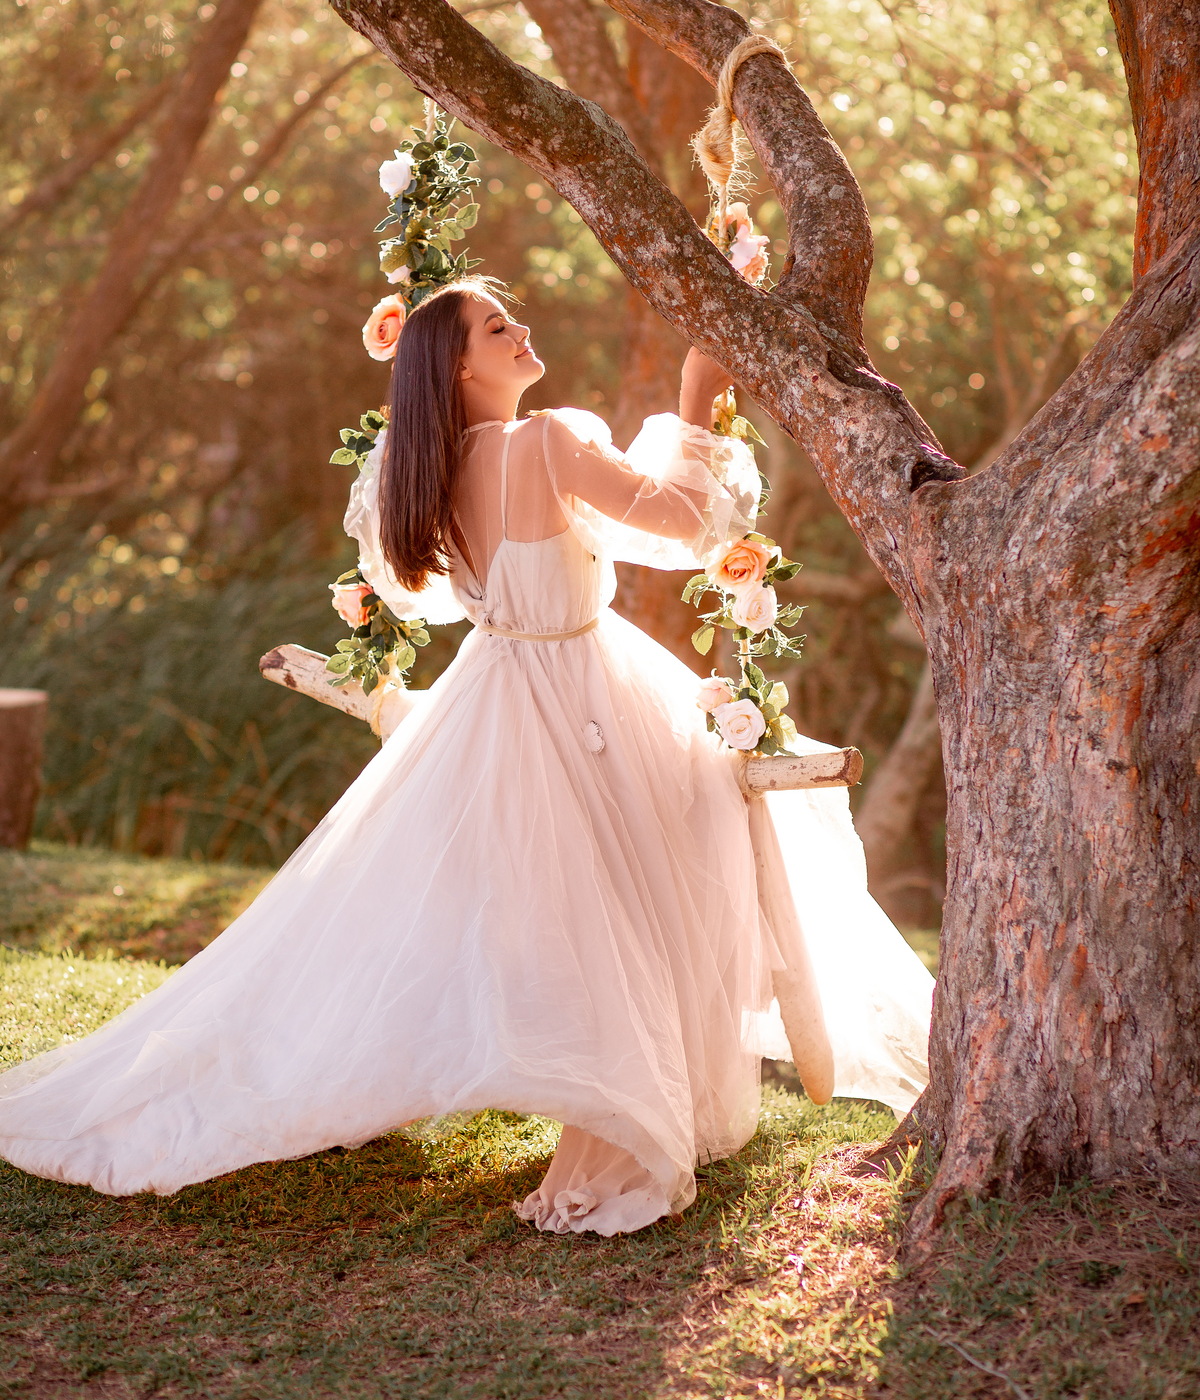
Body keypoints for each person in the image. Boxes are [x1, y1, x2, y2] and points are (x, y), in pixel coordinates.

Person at [0, 283, 933, 1235]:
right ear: (458, 366)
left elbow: (464, 584)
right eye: (498, 328)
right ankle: (628, 1109)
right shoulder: (545, 445)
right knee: (630, 882)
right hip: (574, 690)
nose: (523, 330)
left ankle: (631, 1085)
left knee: (564, 893)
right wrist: (697, 397)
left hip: (500, 687)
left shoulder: (439, 470)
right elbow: (691, 527)